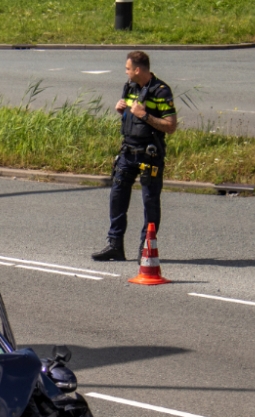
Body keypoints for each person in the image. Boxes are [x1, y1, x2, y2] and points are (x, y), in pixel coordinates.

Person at [92, 51, 177, 262]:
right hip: (127, 151)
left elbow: (170, 126)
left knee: (150, 201)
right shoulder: (129, 87)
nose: (126, 72)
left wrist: (144, 115)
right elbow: (132, 117)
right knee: (117, 198)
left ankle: (146, 248)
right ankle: (115, 245)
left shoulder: (161, 91)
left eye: (128, 68)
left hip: (150, 155)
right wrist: (123, 111)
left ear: (138, 70)